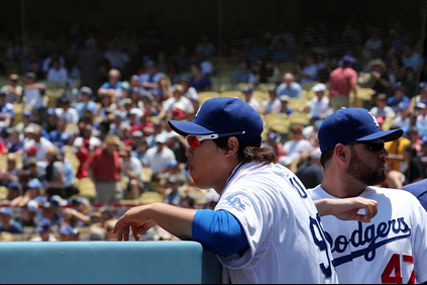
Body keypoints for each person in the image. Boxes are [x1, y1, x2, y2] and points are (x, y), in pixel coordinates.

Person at [113, 97, 378, 284]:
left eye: (195, 139)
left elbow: (225, 234)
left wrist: (153, 209)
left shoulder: (253, 183)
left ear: (230, 146)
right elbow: (276, 215)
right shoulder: (277, 175)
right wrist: (324, 206)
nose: (188, 149)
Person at [308, 107, 427, 284]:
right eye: (374, 146)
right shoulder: (300, 211)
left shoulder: (404, 203)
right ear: (342, 153)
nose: (385, 154)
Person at [88, 134, 123, 204]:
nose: (117, 147)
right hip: (102, 184)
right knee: (103, 208)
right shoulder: (98, 154)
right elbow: (90, 169)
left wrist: (119, 182)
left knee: (116, 207)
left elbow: (119, 170)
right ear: (109, 145)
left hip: (115, 184)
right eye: (115, 145)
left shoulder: (116, 154)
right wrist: (95, 183)